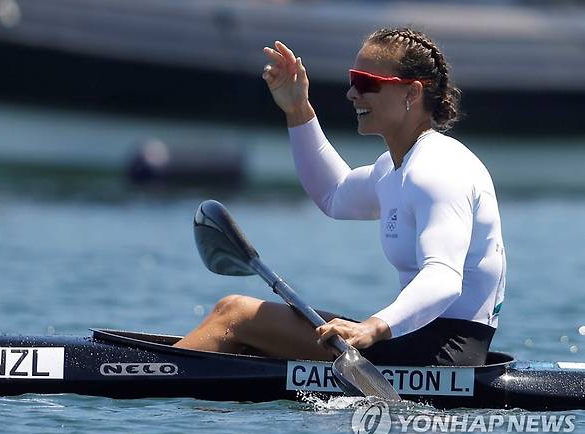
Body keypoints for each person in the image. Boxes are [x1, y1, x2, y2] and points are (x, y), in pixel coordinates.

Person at [174, 28, 506, 366]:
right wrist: (297, 108)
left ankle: (149, 377)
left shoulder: (437, 170)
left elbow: (444, 277)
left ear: (412, 92)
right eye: (353, 80)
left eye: (366, 83)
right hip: (414, 338)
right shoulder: (392, 170)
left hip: (446, 355)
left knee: (234, 314)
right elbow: (334, 193)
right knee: (244, 336)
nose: (351, 93)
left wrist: (373, 328)